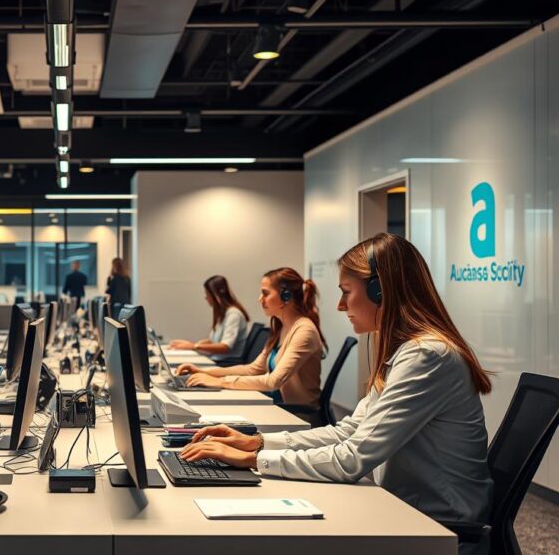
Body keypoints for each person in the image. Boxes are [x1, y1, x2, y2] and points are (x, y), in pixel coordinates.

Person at [179, 234, 493, 552]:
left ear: (380, 291)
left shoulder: (427, 355)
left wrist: (254, 459)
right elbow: (350, 430)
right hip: (401, 508)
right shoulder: (405, 351)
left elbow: (352, 458)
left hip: (436, 527)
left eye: (346, 293)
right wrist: (259, 442)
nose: (340, 306)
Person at [176, 267, 326, 409]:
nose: (260, 299)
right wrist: (202, 372)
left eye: (265, 293)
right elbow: (253, 369)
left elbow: (273, 381)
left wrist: (219, 382)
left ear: (286, 296)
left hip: (298, 415)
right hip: (276, 405)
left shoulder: (304, 330)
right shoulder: (280, 327)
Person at [168, 275, 250, 356]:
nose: (205, 297)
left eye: (207, 294)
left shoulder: (233, 315)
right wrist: (191, 345)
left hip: (226, 364)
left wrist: (194, 346)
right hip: (219, 361)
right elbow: (214, 341)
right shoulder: (223, 314)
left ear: (217, 295)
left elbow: (225, 346)